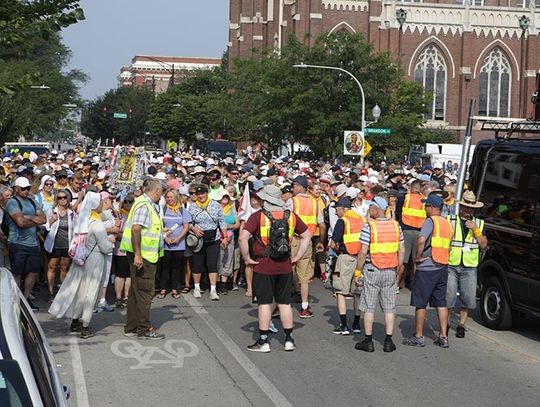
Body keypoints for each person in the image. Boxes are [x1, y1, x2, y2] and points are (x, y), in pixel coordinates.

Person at [239, 185, 311, 352]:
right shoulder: (291, 216)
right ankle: (289, 339)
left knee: (264, 303)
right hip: (285, 264)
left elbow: (243, 238)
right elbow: (306, 235)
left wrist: (247, 258)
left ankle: (264, 340)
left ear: (266, 199)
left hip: (264, 264)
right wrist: (298, 256)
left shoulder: (258, 216)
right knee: (284, 303)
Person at [49, 191, 114, 339]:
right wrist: (110, 242)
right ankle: (85, 326)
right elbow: (105, 246)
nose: (102, 205)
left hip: (80, 258)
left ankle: (75, 320)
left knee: (79, 289)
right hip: (94, 259)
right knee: (90, 291)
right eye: (99, 202)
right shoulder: (96, 223)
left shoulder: (82, 219)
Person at [403, 194, 453, 348]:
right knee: (440, 302)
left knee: (421, 302)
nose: (424, 209)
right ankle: (443, 336)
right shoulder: (447, 223)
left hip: (427, 267)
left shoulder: (430, 221)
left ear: (432, 207)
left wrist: (417, 258)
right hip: (442, 266)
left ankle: (419, 336)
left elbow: (421, 240)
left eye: (426, 206)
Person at [355, 196, 405, 352]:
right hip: (390, 270)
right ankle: (388, 341)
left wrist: (358, 270)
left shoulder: (369, 227)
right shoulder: (396, 226)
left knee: (369, 306)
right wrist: (397, 269)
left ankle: (368, 341)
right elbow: (401, 250)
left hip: (372, 269)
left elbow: (363, 251)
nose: (369, 210)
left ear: (377, 209)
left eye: (371, 207)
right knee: (389, 307)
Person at [121, 178, 166, 340]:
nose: (162, 195)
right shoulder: (144, 205)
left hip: (143, 255)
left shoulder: (144, 203)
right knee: (145, 292)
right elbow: (136, 229)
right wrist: (139, 254)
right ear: (157, 191)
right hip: (144, 257)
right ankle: (144, 329)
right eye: (161, 192)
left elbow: (143, 228)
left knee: (135, 291)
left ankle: (132, 326)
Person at [446, 191, 488, 338]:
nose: (469, 209)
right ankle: (446, 323)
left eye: (471, 207)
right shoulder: (450, 220)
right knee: (449, 296)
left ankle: (461, 325)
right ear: (461, 206)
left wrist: (475, 229)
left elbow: (483, 245)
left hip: (469, 266)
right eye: (466, 206)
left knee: (468, 297)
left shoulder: (479, 223)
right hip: (452, 264)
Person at [6, 177, 47, 311]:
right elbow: (20, 223)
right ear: (16, 189)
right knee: (17, 273)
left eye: (28, 188)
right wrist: (33, 219)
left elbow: (43, 219)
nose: (26, 191)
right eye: (23, 188)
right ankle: (16, 300)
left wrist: (28, 218)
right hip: (17, 243)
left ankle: (25, 298)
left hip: (32, 243)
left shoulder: (33, 201)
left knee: (34, 272)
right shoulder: (12, 202)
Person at [330, 197, 366, 335]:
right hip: (360, 258)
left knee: (340, 291)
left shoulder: (342, 221)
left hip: (345, 258)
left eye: (337, 209)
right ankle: (356, 324)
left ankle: (344, 326)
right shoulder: (362, 219)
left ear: (343, 209)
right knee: (357, 292)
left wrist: (337, 250)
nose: (336, 213)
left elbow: (333, 243)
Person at [188, 184, 229, 300]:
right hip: (198, 239)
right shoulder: (192, 206)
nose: (201, 196)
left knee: (212, 264)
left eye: (203, 193)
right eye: (198, 194)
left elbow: (222, 221)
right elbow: (188, 222)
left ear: (207, 193)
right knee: (198, 264)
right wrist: (194, 229)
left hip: (213, 238)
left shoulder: (215, 205)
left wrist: (225, 237)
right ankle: (196, 287)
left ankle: (213, 289)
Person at [291, 175, 323, 318]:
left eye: (294, 186)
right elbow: (322, 224)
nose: (292, 188)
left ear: (300, 186)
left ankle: (280, 305)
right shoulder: (315, 203)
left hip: (293, 240)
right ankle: (304, 307)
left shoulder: (292, 202)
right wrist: (321, 241)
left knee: (287, 271)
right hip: (307, 241)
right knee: (304, 276)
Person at [157, 189, 191, 299]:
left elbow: (186, 226)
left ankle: (175, 288)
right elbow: (159, 225)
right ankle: (163, 288)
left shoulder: (182, 211)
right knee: (164, 267)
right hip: (166, 243)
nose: (169, 199)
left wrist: (178, 238)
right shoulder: (163, 209)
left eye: (171, 197)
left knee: (176, 268)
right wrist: (165, 238)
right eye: (167, 197)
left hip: (179, 244)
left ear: (176, 197)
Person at [44, 189, 74, 302]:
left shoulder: (71, 213)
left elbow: (75, 228)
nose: (62, 200)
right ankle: (51, 292)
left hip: (67, 244)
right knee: (52, 267)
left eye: (64, 197)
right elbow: (46, 226)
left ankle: (63, 293)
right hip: (54, 244)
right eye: (60, 198)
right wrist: (52, 221)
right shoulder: (52, 211)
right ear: (57, 199)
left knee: (64, 268)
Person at [396, 180, 425, 291]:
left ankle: (397, 283)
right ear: (420, 189)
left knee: (403, 260)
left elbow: (398, 211)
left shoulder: (404, 198)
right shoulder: (424, 200)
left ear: (411, 188)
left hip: (405, 231)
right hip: (419, 232)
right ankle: (415, 285)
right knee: (415, 261)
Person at [217, 189, 240, 295]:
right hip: (217, 236)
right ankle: (216, 282)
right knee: (218, 258)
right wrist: (222, 229)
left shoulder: (232, 208)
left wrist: (228, 227)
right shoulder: (215, 208)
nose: (225, 199)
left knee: (228, 258)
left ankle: (223, 283)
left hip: (230, 235)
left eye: (227, 197)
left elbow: (237, 223)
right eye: (223, 197)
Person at [113, 194, 134, 308]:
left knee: (129, 275)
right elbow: (116, 232)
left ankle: (126, 297)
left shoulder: (135, 216)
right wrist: (127, 237)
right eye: (125, 202)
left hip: (132, 249)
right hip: (120, 249)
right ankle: (118, 297)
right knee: (120, 274)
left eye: (130, 201)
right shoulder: (118, 215)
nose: (128, 204)